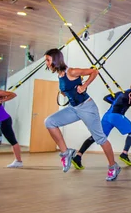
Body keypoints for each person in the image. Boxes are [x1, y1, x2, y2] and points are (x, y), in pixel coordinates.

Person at [43, 48, 121, 181]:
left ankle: (113, 166)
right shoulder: (60, 75)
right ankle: (66, 153)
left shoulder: (71, 71)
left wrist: (84, 85)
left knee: (100, 139)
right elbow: (68, 89)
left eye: (48, 60)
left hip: (87, 108)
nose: (47, 63)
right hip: (73, 108)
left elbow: (94, 71)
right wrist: (65, 92)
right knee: (49, 121)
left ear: (55, 60)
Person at [72, 81, 131, 170]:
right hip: (116, 115)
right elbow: (130, 95)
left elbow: (107, 98)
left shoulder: (120, 93)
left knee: (97, 136)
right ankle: (124, 154)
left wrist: (117, 102)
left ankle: (78, 156)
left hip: (107, 116)